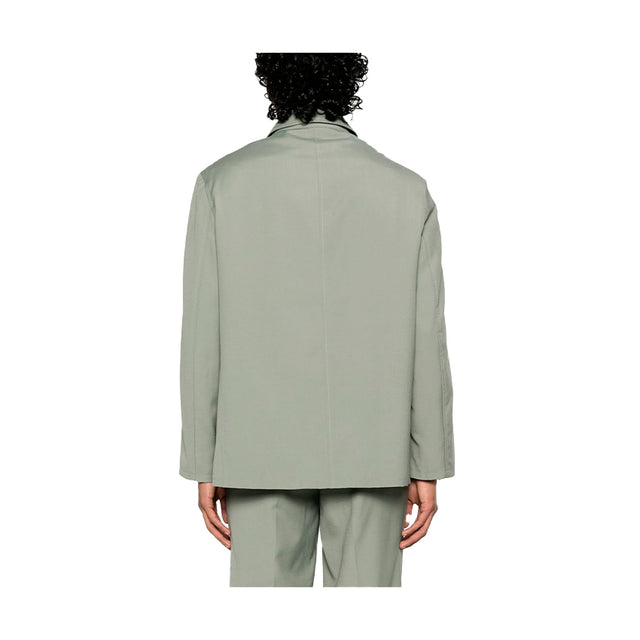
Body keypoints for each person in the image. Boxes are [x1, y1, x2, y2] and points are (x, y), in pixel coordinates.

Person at [179, 53, 455, 587]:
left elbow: (201, 338)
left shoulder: (220, 184)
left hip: (257, 449)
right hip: (375, 446)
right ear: (349, 81)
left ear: (271, 80)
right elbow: (428, 338)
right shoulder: (405, 188)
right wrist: (429, 461)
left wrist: (203, 461)